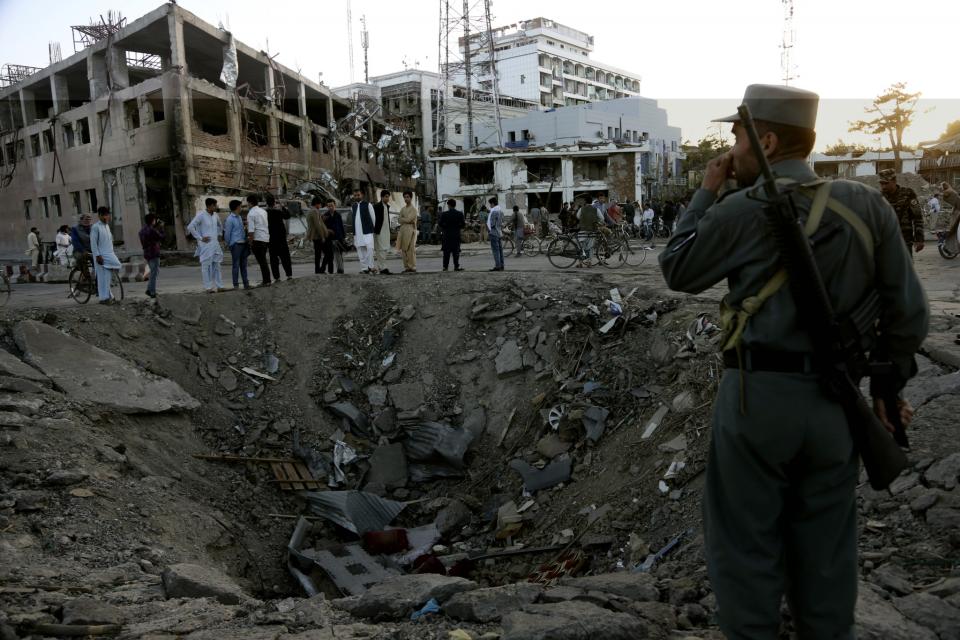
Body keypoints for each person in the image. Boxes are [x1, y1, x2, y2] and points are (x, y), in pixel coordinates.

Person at [659, 84, 929, 640]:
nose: (731, 149)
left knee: (744, 545)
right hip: (834, 403)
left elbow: (677, 269)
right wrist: (885, 389)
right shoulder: (867, 205)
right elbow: (908, 313)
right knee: (827, 550)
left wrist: (706, 192)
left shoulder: (740, 207)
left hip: (755, 400)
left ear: (768, 139)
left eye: (737, 136)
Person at [878, 169, 924, 255]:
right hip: (885, 241)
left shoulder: (908, 194)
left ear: (894, 181)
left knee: (905, 267)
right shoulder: (879, 197)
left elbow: (917, 217)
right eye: (881, 183)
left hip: (904, 240)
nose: (883, 186)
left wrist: (919, 239)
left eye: (886, 183)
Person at [187, 198, 225, 293]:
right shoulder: (201, 215)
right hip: (206, 245)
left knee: (217, 265)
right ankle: (208, 287)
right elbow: (190, 227)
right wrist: (200, 238)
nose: (216, 207)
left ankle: (220, 286)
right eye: (214, 205)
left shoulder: (215, 215)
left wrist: (219, 235)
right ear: (209, 206)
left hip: (215, 244)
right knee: (206, 266)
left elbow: (220, 226)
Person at [90, 207, 121, 304]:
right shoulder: (96, 227)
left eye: (107, 215)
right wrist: (98, 256)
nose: (106, 217)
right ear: (99, 216)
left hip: (109, 254)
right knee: (102, 278)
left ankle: (109, 296)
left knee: (108, 277)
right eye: (103, 215)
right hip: (101, 256)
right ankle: (103, 299)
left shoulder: (107, 226)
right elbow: (93, 243)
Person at [265, 194, 293, 281]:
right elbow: (288, 215)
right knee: (285, 257)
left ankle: (277, 277)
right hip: (281, 239)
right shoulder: (278, 212)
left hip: (271, 239)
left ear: (267, 203)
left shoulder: (265, 213)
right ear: (274, 203)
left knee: (273, 259)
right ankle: (289, 275)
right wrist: (283, 206)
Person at [223, 200, 250, 289]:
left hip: (243, 243)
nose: (241, 208)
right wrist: (228, 243)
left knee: (244, 265)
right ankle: (236, 285)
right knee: (236, 265)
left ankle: (246, 284)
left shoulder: (239, 217)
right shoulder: (230, 219)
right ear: (237, 207)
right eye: (240, 206)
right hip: (236, 244)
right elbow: (227, 234)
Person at [246, 194, 271, 286]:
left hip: (257, 239)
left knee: (262, 261)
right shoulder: (263, 211)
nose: (247, 205)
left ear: (250, 203)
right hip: (265, 238)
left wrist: (250, 242)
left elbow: (251, 230)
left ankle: (266, 281)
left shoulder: (251, 213)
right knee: (263, 260)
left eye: (247, 203)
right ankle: (267, 280)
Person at [139, 214, 165, 298]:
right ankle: (152, 291)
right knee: (154, 273)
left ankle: (149, 289)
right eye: (154, 219)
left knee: (153, 272)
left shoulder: (142, 231)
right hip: (154, 253)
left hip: (147, 253)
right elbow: (161, 237)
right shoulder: (152, 230)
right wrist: (161, 228)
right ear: (152, 220)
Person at [352, 188, 376, 273]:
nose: (357, 196)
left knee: (369, 249)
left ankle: (371, 266)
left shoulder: (368, 205)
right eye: (355, 195)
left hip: (367, 231)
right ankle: (364, 268)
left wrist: (372, 229)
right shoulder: (353, 206)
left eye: (358, 195)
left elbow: (373, 218)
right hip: (357, 233)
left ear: (362, 195)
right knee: (360, 250)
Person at [305, 195, 330, 275]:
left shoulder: (310, 211)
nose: (320, 206)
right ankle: (321, 270)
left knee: (318, 254)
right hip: (318, 236)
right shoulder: (314, 211)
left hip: (315, 236)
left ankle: (318, 270)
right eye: (320, 204)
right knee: (327, 253)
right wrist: (322, 236)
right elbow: (317, 225)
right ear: (317, 204)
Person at [439, 198, 465, 272]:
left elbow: (440, 224)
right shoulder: (460, 214)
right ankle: (456, 266)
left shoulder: (444, 214)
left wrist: (445, 227)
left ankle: (445, 267)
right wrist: (457, 227)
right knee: (456, 252)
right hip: (456, 235)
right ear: (455, 205)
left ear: (449, 205)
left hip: (447, 235)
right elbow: (463, 224)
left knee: (446, 252)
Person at [396, 190, 419, 273]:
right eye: (405, 197)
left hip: (411, 230)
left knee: (410, 249)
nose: (406, 199)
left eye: (407, 197)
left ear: (411, 198)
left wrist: (403, 219)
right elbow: (398, 220)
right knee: (404, 250)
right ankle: (406, 267)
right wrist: (406, 220)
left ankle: (412, 267)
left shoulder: (413, 209)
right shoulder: (402, 209)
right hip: (403, 231)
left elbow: (409, 219)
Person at [372, 189, 393, 275]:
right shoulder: (376, 206)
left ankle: (382, 267)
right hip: (379, 231)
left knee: (385, 249)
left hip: (386, 230)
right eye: (386, 197)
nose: (387, 198)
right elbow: (373, 219)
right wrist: (375, 230)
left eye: (388, 197)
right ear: (381, 197)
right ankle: (383, 268)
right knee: (380, 250)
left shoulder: (387, 206)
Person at [576, 198, 603, 266]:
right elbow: (602, 218)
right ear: (591, 202)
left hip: (583, 230)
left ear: (585, 202)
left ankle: (580, 262)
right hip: (592, 230)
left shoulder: (581, 209)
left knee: (582, 246)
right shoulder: (596, 209)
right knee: (590, 247)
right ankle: (589, 262)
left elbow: (578, 216)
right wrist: (597, 221)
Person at [323, 199, 345, 274]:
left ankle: (340, 270)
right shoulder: (325, 216)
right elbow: (323, 227)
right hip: (329, 238)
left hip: (338, 238)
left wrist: (343, 237)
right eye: (329, 206)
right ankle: (330, 271)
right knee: (330, 256)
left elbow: (341, 226)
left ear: (335, 205)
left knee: (339, 255)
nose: (330, 207)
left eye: (332, 206)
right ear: (327, 207)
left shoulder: (338, 215)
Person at [487, 196, 504, 271]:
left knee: (495, 250)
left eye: (490, 204)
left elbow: (492, 223)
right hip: (499, 232)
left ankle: (497, 266)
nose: (490, 206)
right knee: (500, 250)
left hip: (494, 232)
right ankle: (501, 265)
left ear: (493, 204)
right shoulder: (500, 210)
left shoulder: (494, 211)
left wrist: (489, 230)